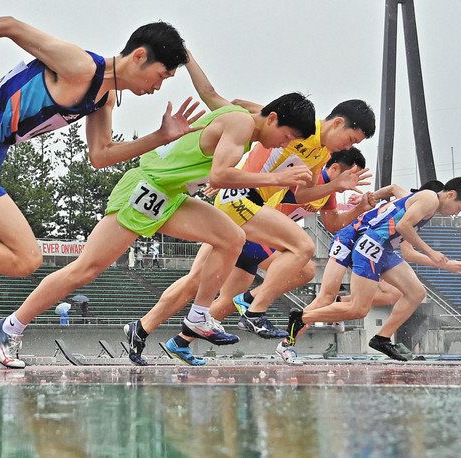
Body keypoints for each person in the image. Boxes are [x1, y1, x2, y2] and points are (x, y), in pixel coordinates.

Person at [0, 17, 201, 373]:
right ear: (139, 56)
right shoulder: (78, 65)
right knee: (26, 258)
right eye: (162, 76)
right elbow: (9, 26)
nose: (158, 86)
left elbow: (100, 155)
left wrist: (160, 137)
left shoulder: (103, 97)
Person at [0, 65, 317, 368]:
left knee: (232, 238)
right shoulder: (243, 124)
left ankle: (199, 316)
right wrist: (277, 179)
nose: (283, 146)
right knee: (84, 269)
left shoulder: (245, 111)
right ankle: (10, 326)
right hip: (145, 191)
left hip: (171, 195)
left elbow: (211, 92)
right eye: (286, 137)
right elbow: (220, 176)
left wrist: (188, 57)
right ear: (272, 119)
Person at [122, 51, 375, 365]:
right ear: (337, 123)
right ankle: (254, 306)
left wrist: (335, 187)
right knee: (302, 249)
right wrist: (188, 60)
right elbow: (230, 102)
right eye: (350, 139)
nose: (348, 147)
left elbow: (300, 194)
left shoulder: (321, 156)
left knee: (198, 284)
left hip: (253, 210)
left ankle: (145, 330)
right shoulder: (292, 122)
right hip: (241, 197)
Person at [282, 176, 461, 362]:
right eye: (459, 208)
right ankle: (301, 317)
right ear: (450, 194)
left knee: (416, 292)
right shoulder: (429, 198)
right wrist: (431, 252)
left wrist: (443, 263)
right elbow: (403, 226)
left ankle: (382, 338)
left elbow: (395, 198)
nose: (456, 213)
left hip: (383, 249)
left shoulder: (422, 205)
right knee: (356, 308)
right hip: (369, 244)